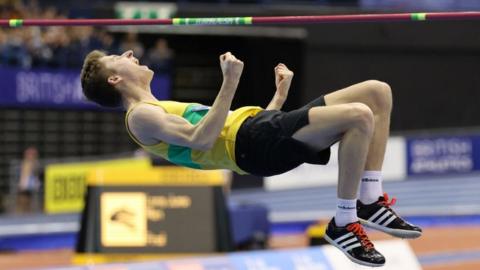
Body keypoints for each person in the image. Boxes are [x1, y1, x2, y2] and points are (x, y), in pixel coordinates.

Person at [80, 50, 422, 267]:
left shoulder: (155, 107)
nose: (128, 52)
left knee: (377, 92)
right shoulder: (140, 115)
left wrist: (279, 96)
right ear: (115, 79)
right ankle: (346, 220)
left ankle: (369, 199)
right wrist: (229, 82)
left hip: (257, 132)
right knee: (360, 115)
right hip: (252, 144)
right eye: (117, 56)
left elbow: (235, 128)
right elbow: (202, 139)